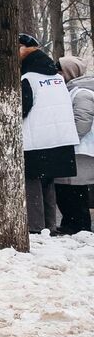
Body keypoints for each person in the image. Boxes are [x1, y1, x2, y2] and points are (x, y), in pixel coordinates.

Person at [21, 34, 80, 234]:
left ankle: (35, 226)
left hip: (36, 140)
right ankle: (50, 224)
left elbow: (22, 109)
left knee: (32, 184)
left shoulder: (28, 79)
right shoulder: (57, 78)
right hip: (60, 138)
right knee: (48, 183)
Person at [61, 56, 94, 235]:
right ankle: (74, 224)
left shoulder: (81, 92)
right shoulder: (74, 90)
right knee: (73, 190)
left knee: (77, 190)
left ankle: (79, 227)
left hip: (82, 150)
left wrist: (66, 137)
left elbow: (83, 121)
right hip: (79, 148)